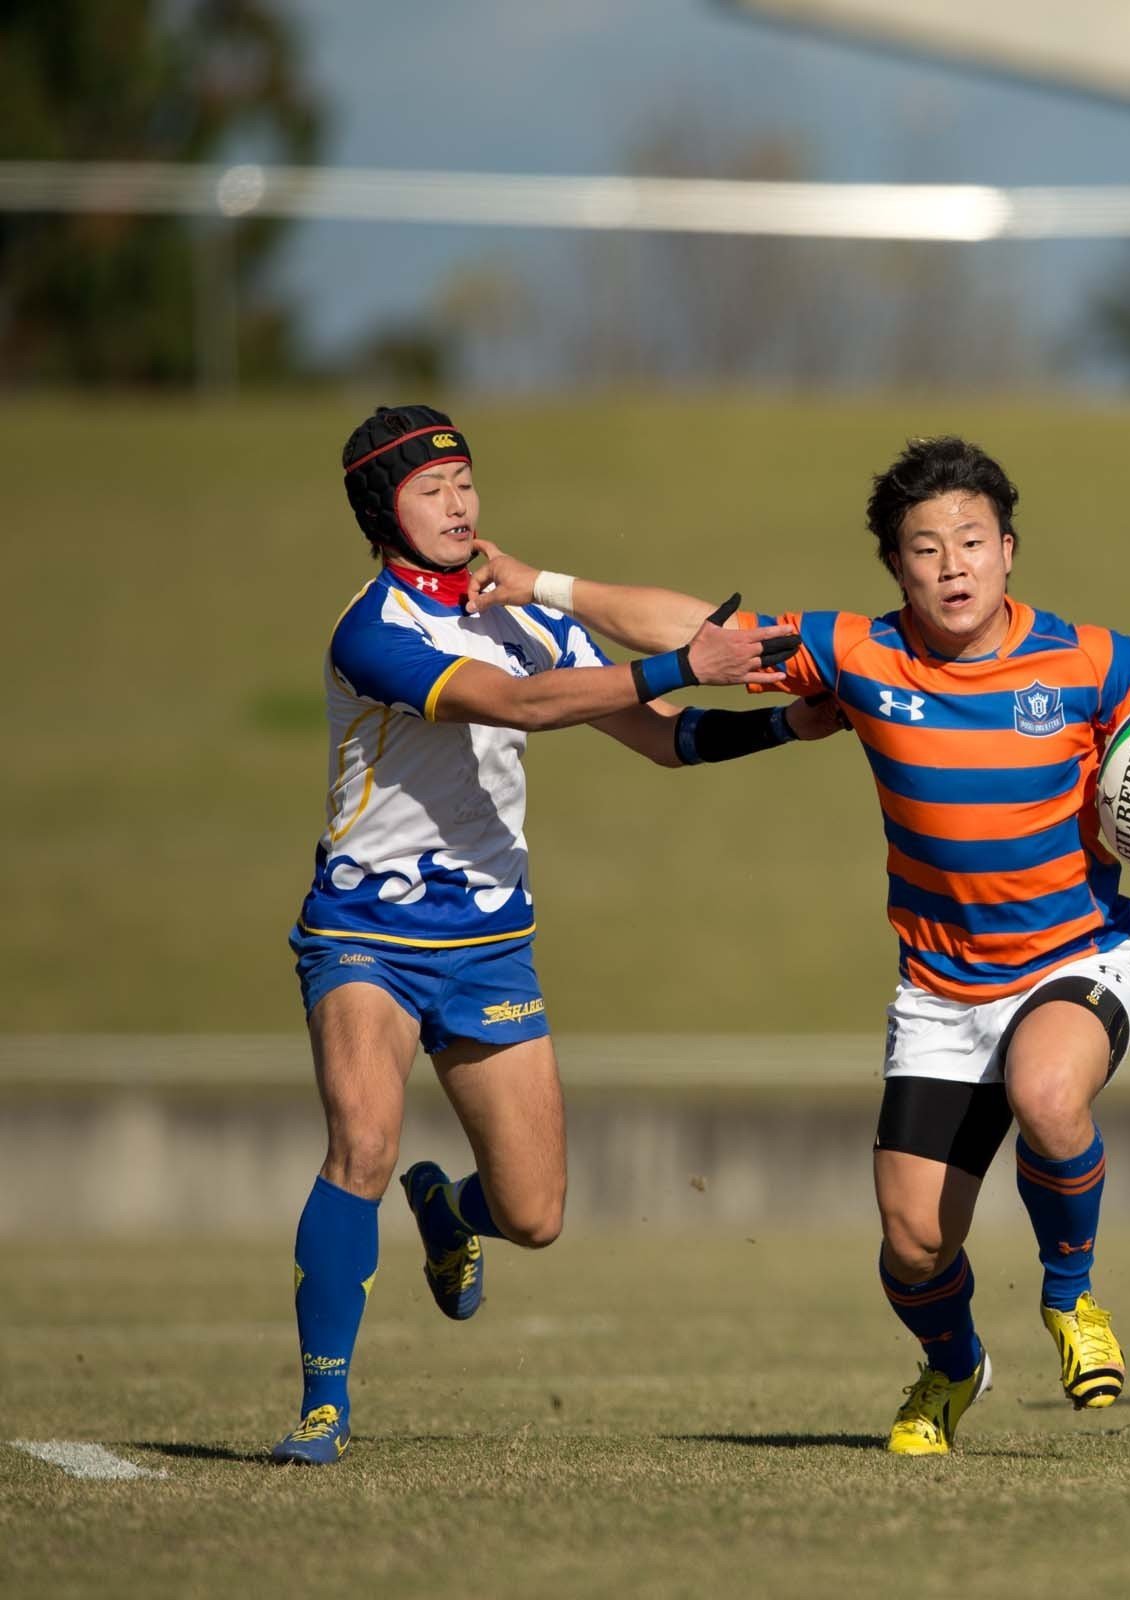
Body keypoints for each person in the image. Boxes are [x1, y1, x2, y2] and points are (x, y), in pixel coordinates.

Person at [477, 435, 1130, 1456]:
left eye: (972, 541)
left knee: (1048, 1093)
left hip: (1078, 953)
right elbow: (701, 635)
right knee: (915, 1243)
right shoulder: (856, 654)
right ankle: (951, 1364)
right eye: (925, 548)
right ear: (895, 566)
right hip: (941, 988)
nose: (952, 565)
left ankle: (1072, 1298)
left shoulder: (1089, 658)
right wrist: (539, 582)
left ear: (1010, 550)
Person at [274, 405, 816, 1465]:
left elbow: (664, 740)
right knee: (363, 1144)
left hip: (489, 944)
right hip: (365, 935)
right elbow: (518, 708)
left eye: (466, 481)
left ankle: (448, 1208)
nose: (458, 503)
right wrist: (681, 663)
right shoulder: (371, 630)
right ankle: (321, 1407)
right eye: (431, 490)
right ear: (382, 511)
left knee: (533, 1214)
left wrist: (785, 721)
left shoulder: (520, 613)